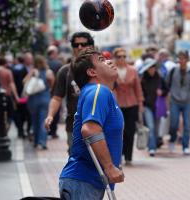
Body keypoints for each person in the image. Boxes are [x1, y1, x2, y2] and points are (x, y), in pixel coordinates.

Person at [59, 48, 124, 199]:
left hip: (89, 182)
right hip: (84, 180)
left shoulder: (101, 92)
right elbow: (90, 130)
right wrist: (109, 167)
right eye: (101, 60)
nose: (109, 61)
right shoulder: (98, 91)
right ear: (92, 72)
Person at [45, 32, 95, 153]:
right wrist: (50, 115)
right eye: (75, 44)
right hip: (74, 125)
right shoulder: (65, 71)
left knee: (98, 164)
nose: (79, 47)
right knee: (76, 161)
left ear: (91, 46)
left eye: (84, 44)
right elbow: (57, 97)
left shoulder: (99, 68)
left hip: (97, 124)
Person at [113, 47, 144, 165]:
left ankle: (129, 157)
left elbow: (138, 88)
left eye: (124, 56)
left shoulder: (132, 70)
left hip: (132, 104)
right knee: (119, 131)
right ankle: (119, 155)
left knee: (130, 131)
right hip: (117, 105)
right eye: (119, 56)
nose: (122, 59)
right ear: (115, 58)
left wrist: (140, 104)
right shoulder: (112, 70)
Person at [167, 51, 190, 155]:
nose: (181, 61)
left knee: (187, 125)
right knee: (174, 123)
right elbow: (166, 85)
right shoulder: (172, 71)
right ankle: (172, 139)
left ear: (187, 60)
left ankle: (185, 146)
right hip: (174, 100)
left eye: (183, 58)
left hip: (187, 101)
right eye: (179, 58)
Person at [23, 55, 55, 149]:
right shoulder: (49, 72)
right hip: (45, 98)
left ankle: (36, 141)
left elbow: (24, 81)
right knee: (43, 121)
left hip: (33, 100)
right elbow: (52, 85)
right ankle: (43, 142)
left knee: (34, 121)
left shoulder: (33, 71)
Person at [140, 57, 168, 156]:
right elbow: (140, 93)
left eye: (153, 67)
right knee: (150, 127)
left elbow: (166, 89)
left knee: (156, 129)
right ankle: (152, 148)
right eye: (150, 67)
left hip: (158, 107)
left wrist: (162, 92)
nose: (152, 69)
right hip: (147, 106)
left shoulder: (160, 78)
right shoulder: (142, 79)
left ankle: (153, 145)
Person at [46, 45, 63, 138]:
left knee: (47, 111)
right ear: (53, 53)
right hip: (56, 90)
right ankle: (53, 131)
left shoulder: (44, 63)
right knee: (55, 111)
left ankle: (47, 130)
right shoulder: (59, 64)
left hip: (44, 91)